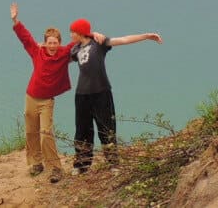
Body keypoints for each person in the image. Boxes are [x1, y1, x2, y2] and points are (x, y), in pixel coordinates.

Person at [69, 18, 163, 174]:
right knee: (82, 130)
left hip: (101, 92)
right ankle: (82, 165)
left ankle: (113, 163)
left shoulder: (99, 43)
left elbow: (124, 40)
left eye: (72, 32)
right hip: (81, 95)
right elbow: (58, 58)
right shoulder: (75, 49)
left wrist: (146, 36)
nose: (71, 35)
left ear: (80, 32)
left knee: (106, 127)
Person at [10, 2, 76, 184]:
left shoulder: (63, 54)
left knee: (46, 133)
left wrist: (92, 35)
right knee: (31, 132)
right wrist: (16, 21)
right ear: (45, 43)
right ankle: (36, 163)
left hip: (47, 101)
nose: (52, 46)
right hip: (31, 97)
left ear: (59, 43)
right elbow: (26, 38)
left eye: (55, 43)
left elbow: (78, 41)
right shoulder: (37, 52)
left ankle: (55, 168)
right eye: (49, 43)